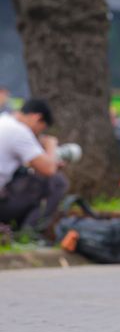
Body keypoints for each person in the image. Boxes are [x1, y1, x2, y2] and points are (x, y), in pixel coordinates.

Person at [0, 99, 68, 236]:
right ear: (36, 118)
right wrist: (51, 145)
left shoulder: (4, 121)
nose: (37, 134)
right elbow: (49, 170)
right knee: (58, 181)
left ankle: (13, 228)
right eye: (40, 129)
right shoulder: (18, 131)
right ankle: (27, 233)